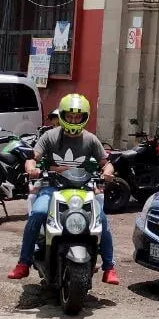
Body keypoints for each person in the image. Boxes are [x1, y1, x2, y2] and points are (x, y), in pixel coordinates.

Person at [8, 93, 120, 285]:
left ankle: (109, 267)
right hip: (52, 188)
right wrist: (31, 168)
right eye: (70, 116)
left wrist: (108, 172)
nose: (73, 120)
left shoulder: (91, 139)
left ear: (84, 117)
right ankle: (23, 263)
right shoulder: (50, 136)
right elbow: (33, 157)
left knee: (101, 219)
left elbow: (106, 163)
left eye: (77, 117)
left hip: (83, 189)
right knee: (38, 213)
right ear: (63, 116)